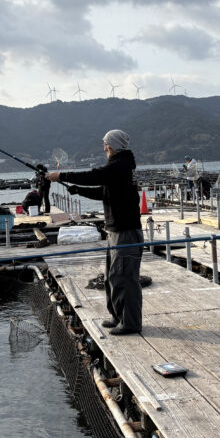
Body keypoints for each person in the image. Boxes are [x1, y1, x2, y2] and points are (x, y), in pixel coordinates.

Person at [47, 129, 143, 336]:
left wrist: (61, 175)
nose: (104, 147)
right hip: (117, 230)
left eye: (106, 144)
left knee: (125, 278)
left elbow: (94, 176)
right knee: (113, 276)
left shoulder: (120, 166)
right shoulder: (120, 167)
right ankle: (118, 316)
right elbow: (104, 191)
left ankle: (131, 323)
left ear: (113, 145)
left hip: (126, 232)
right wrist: (78, 190)